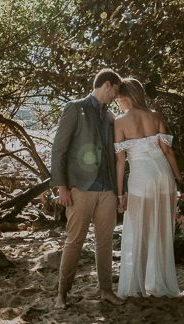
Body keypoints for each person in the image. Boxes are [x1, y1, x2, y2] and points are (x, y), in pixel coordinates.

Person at [50, 69, 127, 310]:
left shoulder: (110, 116)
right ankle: (62, 294)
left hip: (107, 189)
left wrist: (119, 192)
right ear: (106, 85)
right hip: (80, 188)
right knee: (74, 241)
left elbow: (117, 154)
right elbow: (58, 149)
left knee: (105, 242)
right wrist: (61, 186)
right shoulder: (75, 108)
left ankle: (106, 290)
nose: (116, 96)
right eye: (116, 91)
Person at [113, 78, 184, 299]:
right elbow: (168, 152)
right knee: (163, 230)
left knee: (138, 232)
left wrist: (120, 194)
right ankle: (161, 282)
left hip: (142, 178)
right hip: (165, 176)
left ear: (129, 96)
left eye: (120, 95)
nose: (117, 99)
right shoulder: (155, 116)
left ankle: (137, 286)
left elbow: (120, 162)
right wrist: (181, 182)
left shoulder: (120, 121)